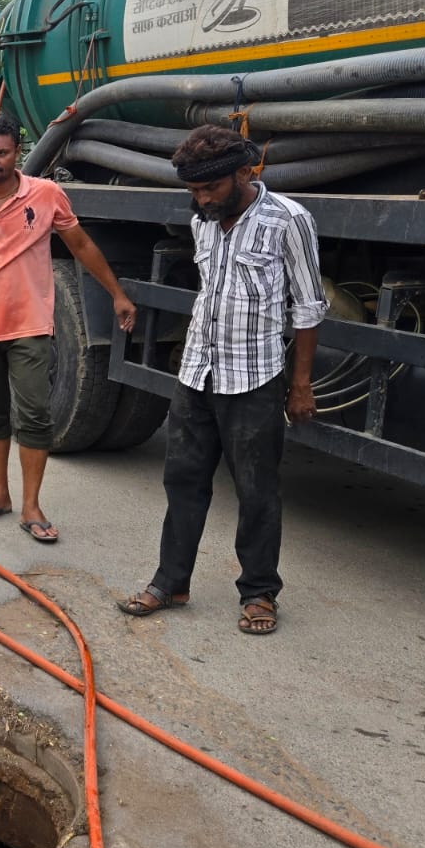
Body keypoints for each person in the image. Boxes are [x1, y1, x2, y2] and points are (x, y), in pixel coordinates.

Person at [120, 125, 327, 636]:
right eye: (194, 190)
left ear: (244, 173)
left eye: (210, 188)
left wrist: (300, 385)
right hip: (198, 372)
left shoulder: (289, 220)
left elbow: (308, 307)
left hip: (255, 377)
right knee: (182, 481)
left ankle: (259, 591)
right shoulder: (203, 221)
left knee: (257, 490)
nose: (202, 199)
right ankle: (171, 582)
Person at [0, 115, 136, 542]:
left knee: (34, 416)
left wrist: (117, 293)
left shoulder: (46, 194)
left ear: (18, 152)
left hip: (29, 328)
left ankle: (31, 505)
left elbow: (81, 245)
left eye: (1, 153)